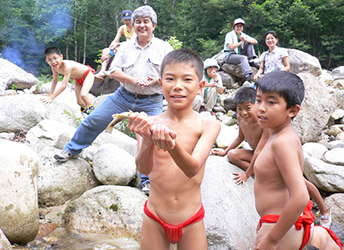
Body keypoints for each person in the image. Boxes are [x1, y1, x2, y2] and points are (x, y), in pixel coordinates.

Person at [54, 5, 173, 196]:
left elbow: (172, 73)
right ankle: (71, 150)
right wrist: (134, 80)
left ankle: (146, 180)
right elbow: (113, 71)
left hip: (151, 100)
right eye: (138, 22)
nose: (142, 25)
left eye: (146, 22)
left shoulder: (165, 48)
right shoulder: (125, 47)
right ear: (133, 25)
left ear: (154, 25)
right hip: (123, 96)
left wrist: (157, 79)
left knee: (149, 137)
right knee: (94, 119)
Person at [128, 48, 221, 249]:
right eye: (170, 79)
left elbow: (192, 168)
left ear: (200, 86)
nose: (177, 86)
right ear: (161, 85)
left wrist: (171, 146)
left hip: (192, 219)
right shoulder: (149, 124)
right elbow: (143, 169)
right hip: (155, 217)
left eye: (187, 80)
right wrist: (148, 142)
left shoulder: (208, 124)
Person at [253, 71, 342, 250]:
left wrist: (271, 239)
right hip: (289, 224)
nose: (261, 108)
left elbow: (300, 196)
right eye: (258, 100)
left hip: (280, 229)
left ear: (292, 110)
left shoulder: (281, 142)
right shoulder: (280, 134)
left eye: (271, 102)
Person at [42, 47, 95, 115]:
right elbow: (55, 80)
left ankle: (95, 113)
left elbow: (64, 85)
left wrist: (51, 98)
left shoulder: (67, 66)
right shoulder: (54, 68)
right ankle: (87, 114)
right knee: (80, 102)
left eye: (55, 58)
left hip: (87, 75)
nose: (53, 62)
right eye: (49, 60)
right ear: (46, 61)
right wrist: (50, 94)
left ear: (61, 57)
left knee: (83, 95)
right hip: (77, 79)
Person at [94, 9, 136, 79]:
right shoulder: (122, 28)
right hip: (123, 48)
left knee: (120, 51)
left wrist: (118, 45)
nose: (127, 22)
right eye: (125, 20)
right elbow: (114, 41)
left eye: (129, 19)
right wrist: (109, 49)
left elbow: (131, 42)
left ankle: (112, 71)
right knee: (105, 50)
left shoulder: (136, 27)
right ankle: (102, 71)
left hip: (133, 48)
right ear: (122, 19)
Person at [224, 18, 259, 82]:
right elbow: (231, 46)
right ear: (234, 27)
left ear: (242, 28)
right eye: (237, 26)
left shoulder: (242, 35)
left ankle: (251, 60)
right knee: (243, 58)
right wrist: (240, 42)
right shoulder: (229, 35)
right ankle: (247, 74)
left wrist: (245, 39)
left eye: (240, 26)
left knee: (250, 43)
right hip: (229, 55)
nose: (239, 28)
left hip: (238, 54)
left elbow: (255, 41)